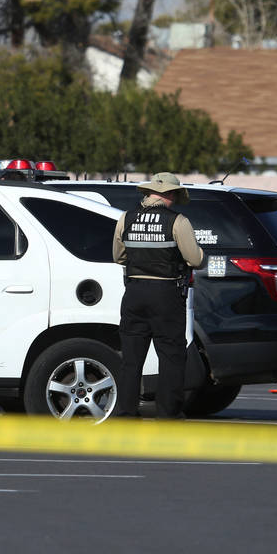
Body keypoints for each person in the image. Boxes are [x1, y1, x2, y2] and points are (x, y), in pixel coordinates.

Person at [112, 172, 204, 419]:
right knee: (171, 356)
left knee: (131, 358)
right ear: (170, 194)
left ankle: (126, 413)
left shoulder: (126, 218)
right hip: (166, 294)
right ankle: (168, 415)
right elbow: (194, 259)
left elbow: (118, 257)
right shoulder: (178, 221)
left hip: (134, 292)